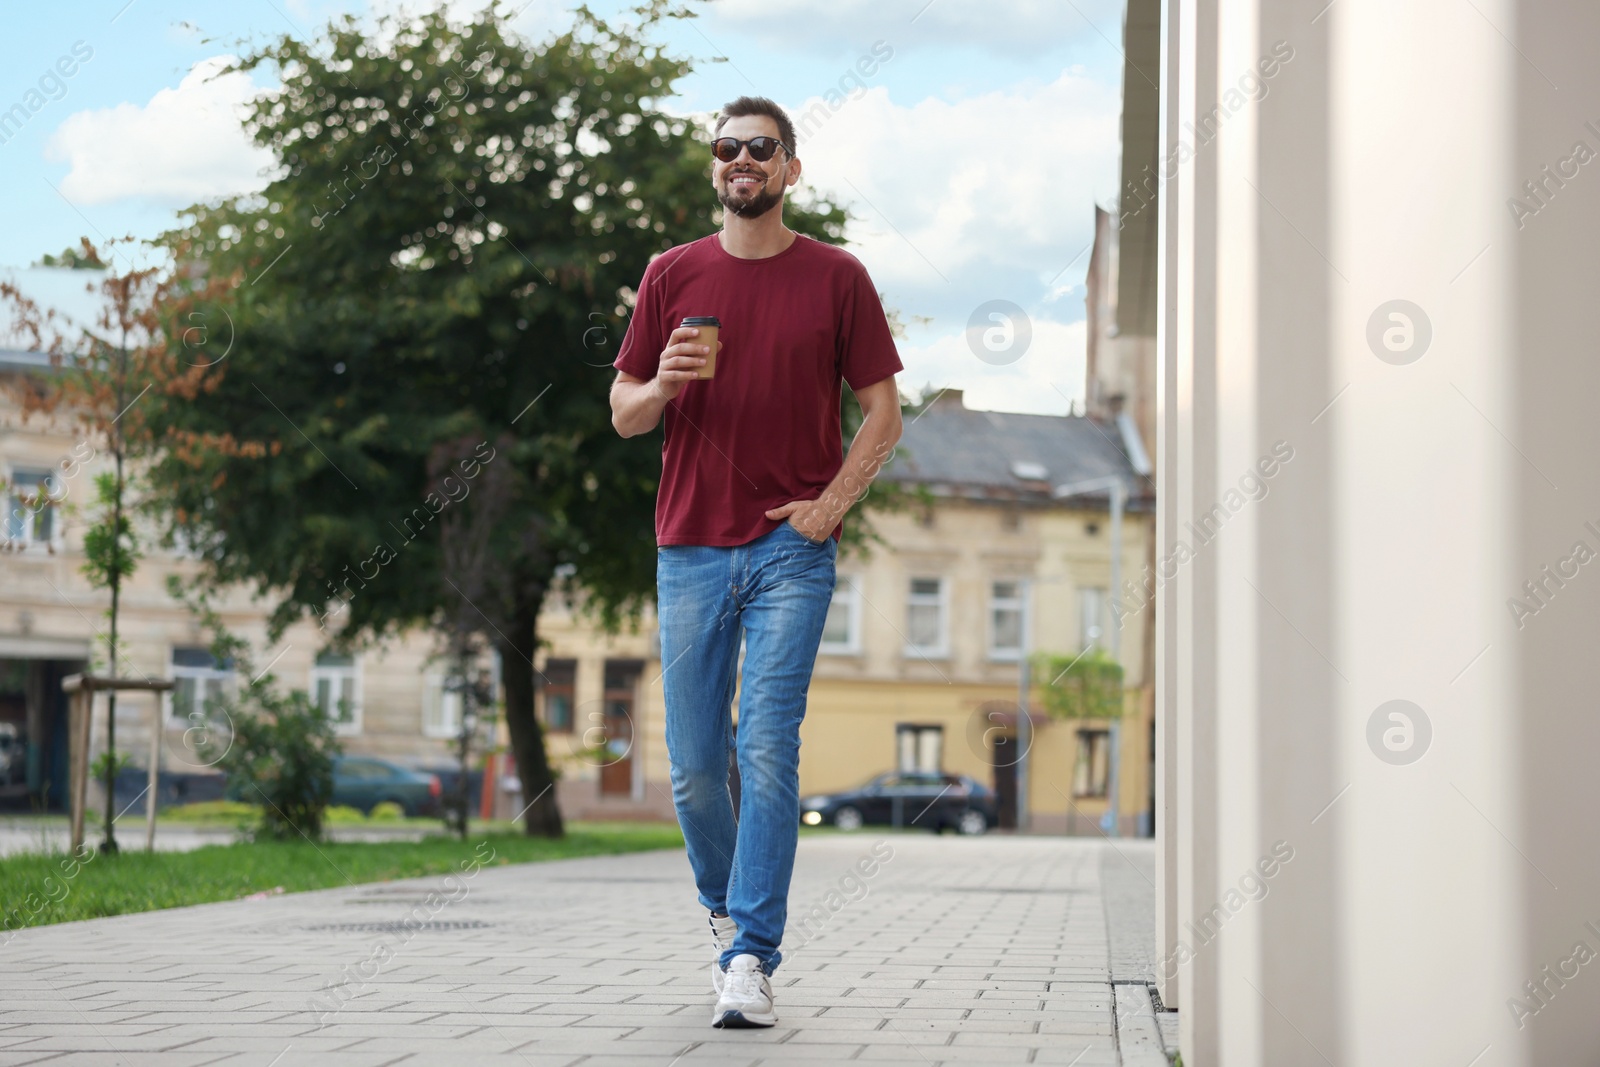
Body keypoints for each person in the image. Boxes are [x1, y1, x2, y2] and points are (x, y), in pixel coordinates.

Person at [608, 95, 903, 1028]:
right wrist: (663, 380)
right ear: (714, 168)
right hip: (689, 543)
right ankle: (724, 909)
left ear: (790, 169)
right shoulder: (670, 274)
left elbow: (885, 412)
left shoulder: (836, 277)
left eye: (761, 149)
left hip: (790, 547)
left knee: (765, 745)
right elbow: (624, 411)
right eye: (727, 149)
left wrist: (828, 508)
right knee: (694, 765)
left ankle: (750, 955)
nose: (743, 161)